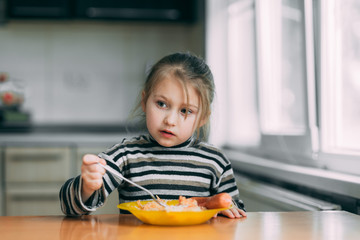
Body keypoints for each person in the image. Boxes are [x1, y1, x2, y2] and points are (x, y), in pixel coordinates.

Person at [59, 52, 246, 219]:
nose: (170, 120)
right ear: (144, 101)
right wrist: (87, 187)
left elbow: (236, 210)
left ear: (203, 117)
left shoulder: (215, 161)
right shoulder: (126, 155)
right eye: (161, 104)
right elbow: (70, 208)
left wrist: (227, 209)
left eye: (185, 111)